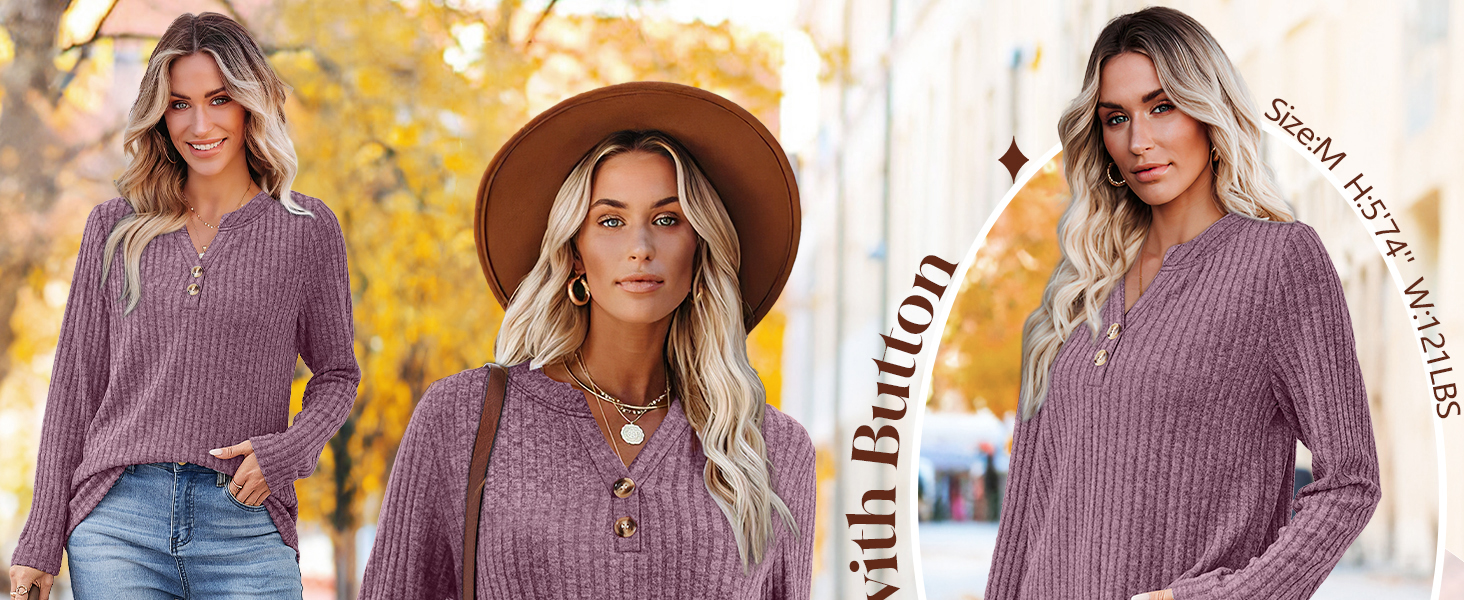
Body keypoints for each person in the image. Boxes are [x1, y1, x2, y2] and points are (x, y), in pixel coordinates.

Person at [359, 82, 816, 599]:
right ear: (575, 254)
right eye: (611, 220)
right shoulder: (460, 418)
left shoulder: (772, 450)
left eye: (667, 220)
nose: (640, 247)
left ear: (701, 249)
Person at [985, 7, 1381, 600]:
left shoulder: (1278, 261)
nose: (1139, 142)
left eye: (1162, 106)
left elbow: (1351, 481)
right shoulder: (1079, 287)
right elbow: (1024, 518)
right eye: (1117, 118)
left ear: (1207, 110)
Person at [7, 13, 359, 600]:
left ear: (250, 104)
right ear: (159, 114)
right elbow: (75, 386)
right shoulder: (115, 228)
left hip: (245, 523)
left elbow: (338, 374)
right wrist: (41, 538)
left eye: (219, 99)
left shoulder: (306, 230)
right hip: (120, 524)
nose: (200, 124)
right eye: (179, 104)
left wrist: (288, 452)